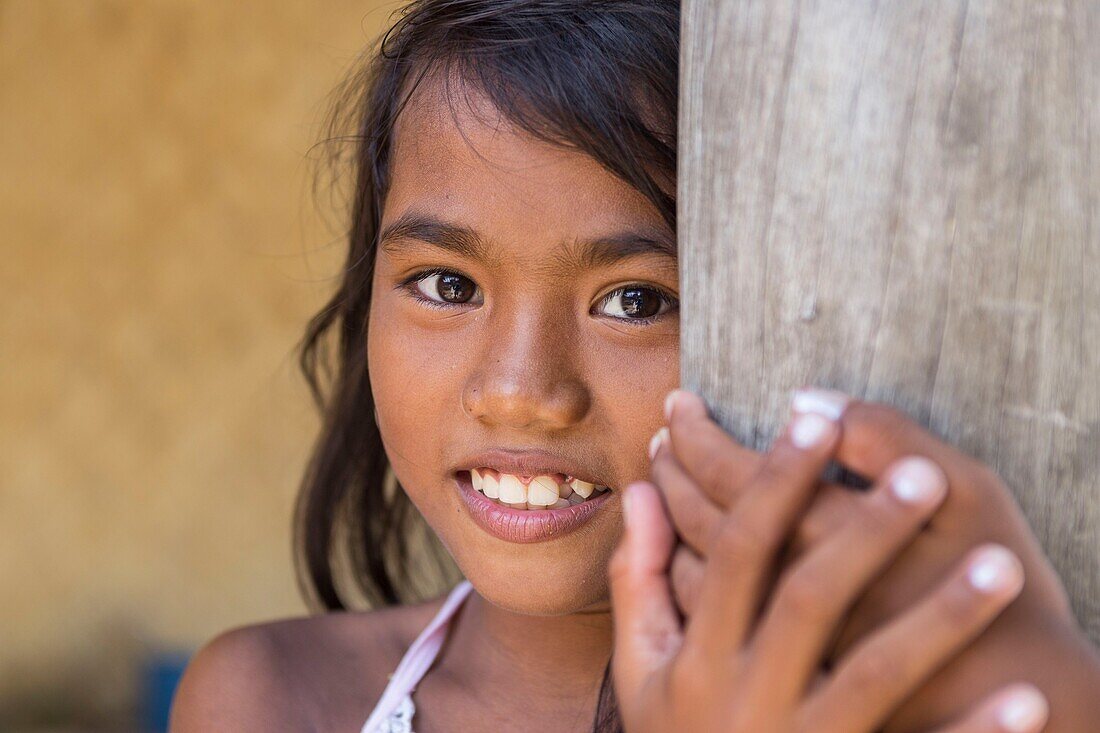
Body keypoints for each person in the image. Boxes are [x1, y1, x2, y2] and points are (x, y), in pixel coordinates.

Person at [169, 1, 1100, 731]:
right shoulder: (272, 700)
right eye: (448, 284)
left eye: (637, 300)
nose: (521, 392)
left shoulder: (950, 698)